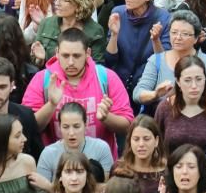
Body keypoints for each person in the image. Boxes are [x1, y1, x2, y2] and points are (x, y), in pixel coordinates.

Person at [22, 27, 134, 155]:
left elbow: (128, 126)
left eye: (76, 56)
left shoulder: (107, 77)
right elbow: (28, 127)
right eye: (65, 56)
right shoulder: (43, 79)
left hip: (99, 165)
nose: (70, 62)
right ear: (57, 53)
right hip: (55, 165)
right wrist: (51, 105)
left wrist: (106, 117)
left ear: (88, 53)